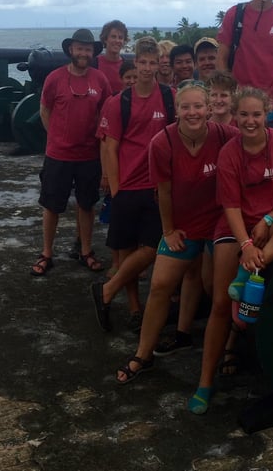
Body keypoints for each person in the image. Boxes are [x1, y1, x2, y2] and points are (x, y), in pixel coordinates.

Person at [189, 86, 273, 414]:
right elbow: (231, 207)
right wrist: (246, 244)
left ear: (267, 114)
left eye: (257, 114)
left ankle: (250, 269)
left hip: (270, 224)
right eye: (244, 115)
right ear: (236, 116)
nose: (251, 121)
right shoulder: (230, 153)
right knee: (221, 304)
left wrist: (267, 220)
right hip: (235, 228)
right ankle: (205, 381)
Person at [114, 80, 236, 383]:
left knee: (216, 288)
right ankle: (144, 353)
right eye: (185, 107)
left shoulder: (224, 135)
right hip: (185, 224)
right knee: (160, 284)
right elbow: (164, 192)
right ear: (176, 110)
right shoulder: (163, 142)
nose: (192, 112)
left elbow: (257, 140)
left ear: (208, 108)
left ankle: (231, 347)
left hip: (219, 222)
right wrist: (168, 230)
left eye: (198, 106)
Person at [91, 37, 175, 333]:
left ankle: (107, 289)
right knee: (126, 250)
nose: (148, 68)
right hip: (127, 185)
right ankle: (134, 308)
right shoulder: (118, 103)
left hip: (158, 185)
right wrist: (116, 190)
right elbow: (110, 148)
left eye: (154, 63)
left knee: (152, 247)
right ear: (135, 62)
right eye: (143, 62)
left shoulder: (169, 97)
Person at [32, 29, 111, 276]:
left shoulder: (100, 80)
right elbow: (45, 110)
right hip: (59, 155)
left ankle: (85, 251)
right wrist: (55, 136)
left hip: (89, 154)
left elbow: (106, 113)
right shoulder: (54, 78)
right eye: (79, 48)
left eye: (88, 49)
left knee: (86, 205)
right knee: (51, 206)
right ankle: (46, 253)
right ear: (70, 50)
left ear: (93, 53)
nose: (83, 53)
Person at [97, 20, 128, 94]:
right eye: (113, 37)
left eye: (120, 38)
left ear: (124, 41)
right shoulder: (94, 63)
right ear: (105, 39)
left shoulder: (127, 66)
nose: (117, 40)